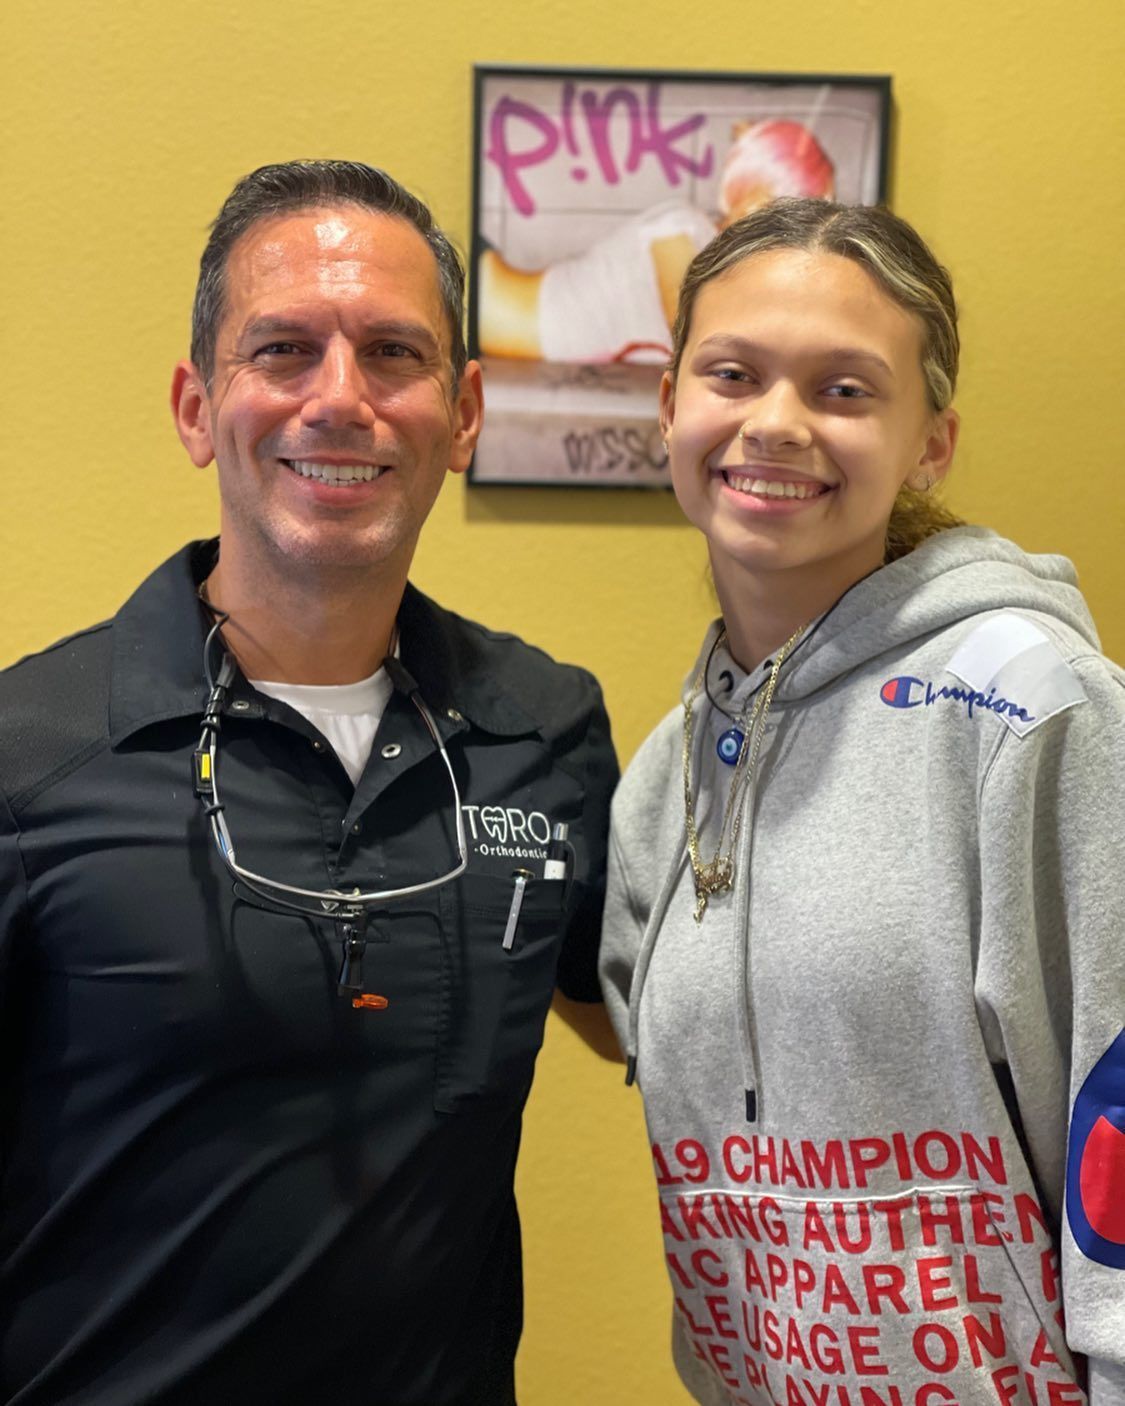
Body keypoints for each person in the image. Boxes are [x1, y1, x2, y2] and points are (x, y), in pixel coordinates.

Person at [0, 160, 617, 1406]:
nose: (341, 399)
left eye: (393, 353)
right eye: (283, 348)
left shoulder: (543, 731)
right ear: (194, 406)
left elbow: (700, 1021)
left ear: (463, 411)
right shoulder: (30, 750)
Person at [599, 199, 1125, 1403]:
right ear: (670, 405)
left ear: (931, 441)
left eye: (844, 389)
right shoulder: (664, 778)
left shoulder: (1036, 709)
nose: (775, 423)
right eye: (732, 373)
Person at [479, 120, 834, 365]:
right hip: (490, 304)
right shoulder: (679, 229)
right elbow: (695, 334)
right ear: (750, 196)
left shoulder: (723, 262)